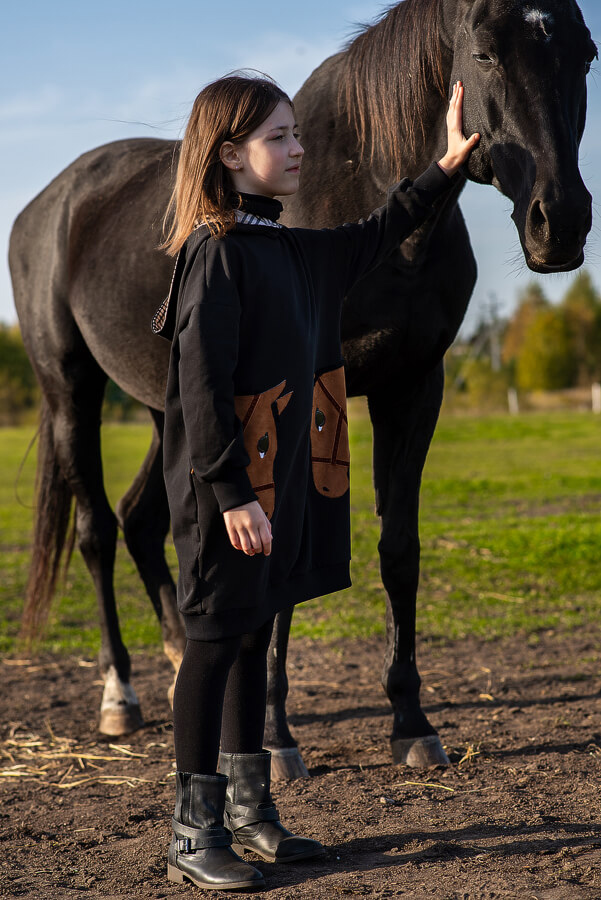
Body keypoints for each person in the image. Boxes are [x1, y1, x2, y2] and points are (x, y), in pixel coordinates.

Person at [153, 71, 479, 892]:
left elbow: (381, 230)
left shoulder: (291, 249)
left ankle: (250, 814)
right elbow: (200, 382)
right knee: (212, 642)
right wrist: (229, 495)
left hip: (279, 488)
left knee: (255, 629)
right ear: (229, 156)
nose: (297, 150)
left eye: (297, 134)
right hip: (226, 495)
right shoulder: (215, 254)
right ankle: (193, 834)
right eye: (278, 139)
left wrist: (445, 166)